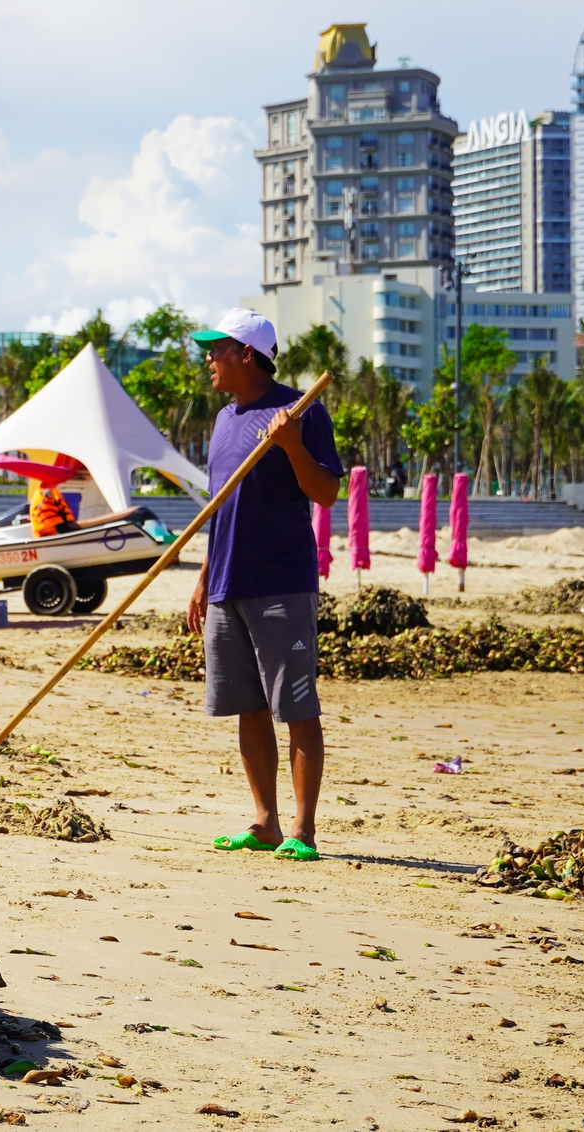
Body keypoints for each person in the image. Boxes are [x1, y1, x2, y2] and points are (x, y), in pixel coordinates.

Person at [184, 309, 341, 862]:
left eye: (216, 348)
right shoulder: (224, 422)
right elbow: (219, 508)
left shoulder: (301, 410)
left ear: (245, 354)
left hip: (281, 583)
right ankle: (265, 822)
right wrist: (204, 578)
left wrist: (293, 444)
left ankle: (303, 831)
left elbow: (325, 494)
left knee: (295, 705)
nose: (208, 358)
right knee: (247, 706)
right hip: (227, 582)